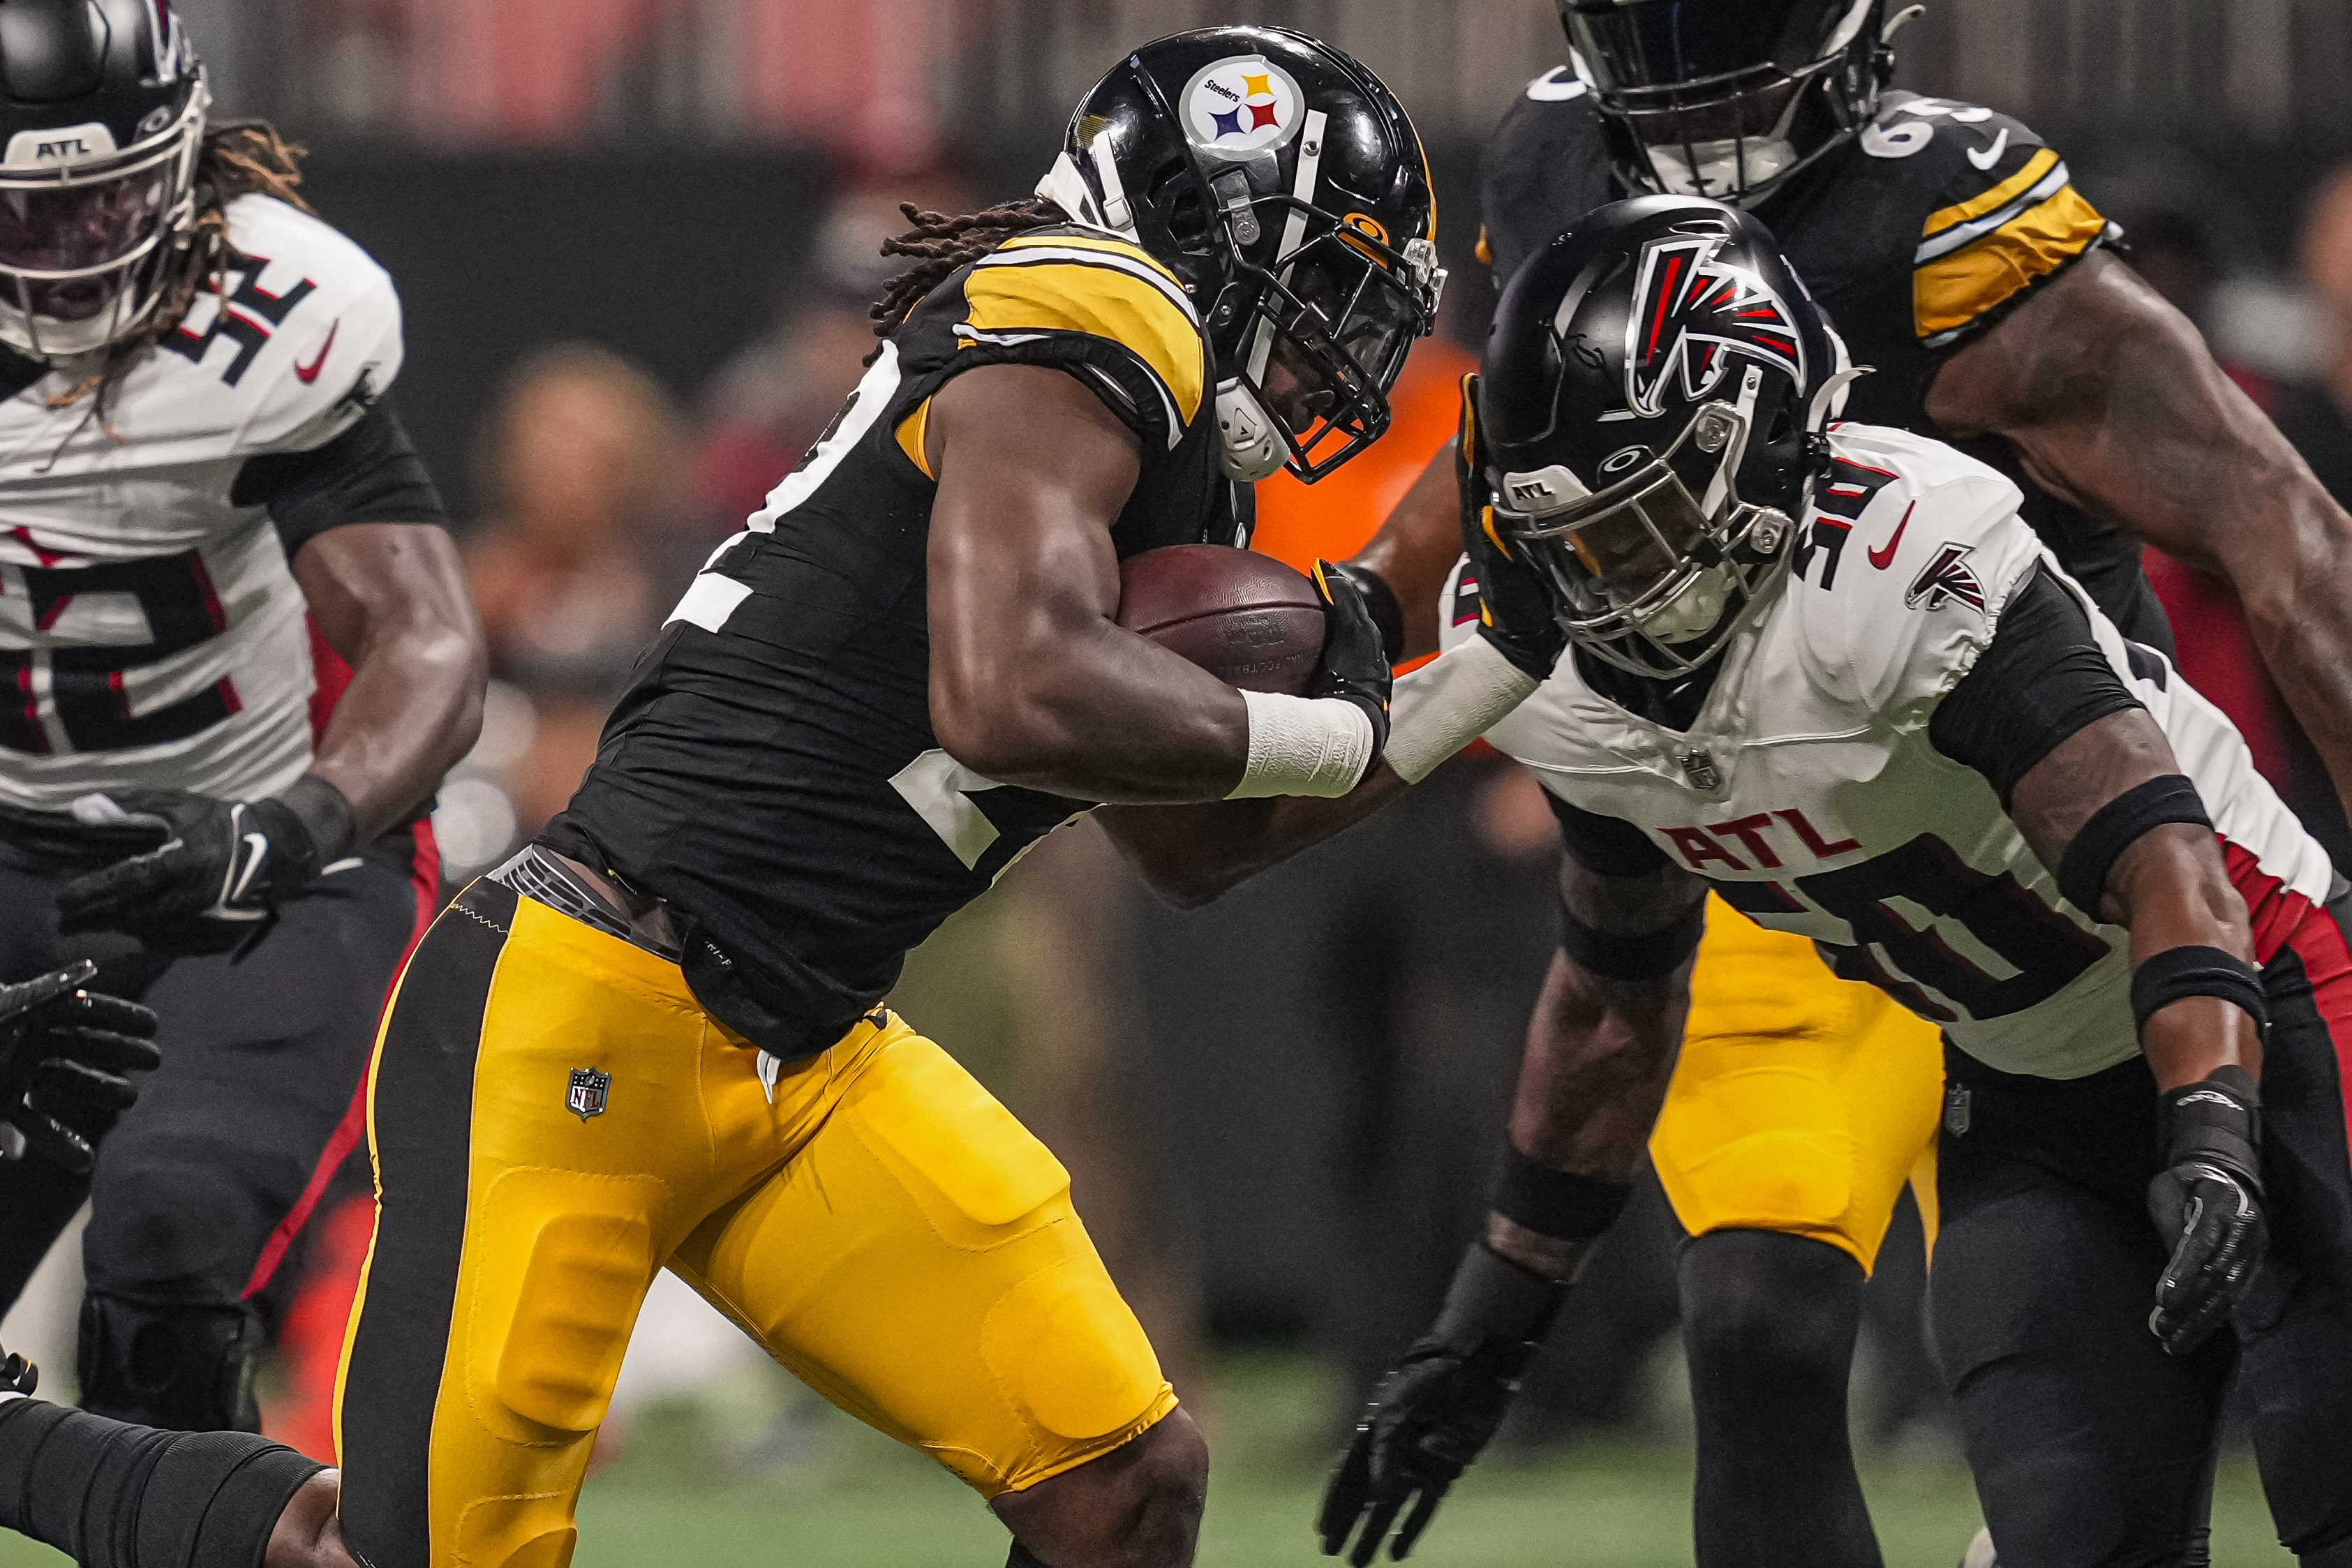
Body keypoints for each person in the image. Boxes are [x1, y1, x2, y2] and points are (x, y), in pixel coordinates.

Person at [0, 24, 1452, 1568]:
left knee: (1121, 1480)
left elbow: (1187, 847)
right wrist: (1325, 730)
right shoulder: (1089, 304)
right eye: (1322, 280)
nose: (1328, 347)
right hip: (590, 1004)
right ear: (1195, 227)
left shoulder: (1158, 451)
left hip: (803, 1043)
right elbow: (1007, 690)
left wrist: (1470, 676)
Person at [1196, 4, 2352, 1565]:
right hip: (1804, 866)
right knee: (1755, 1316)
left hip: (2055, 813)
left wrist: (2213, 1104)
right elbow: (1495, 493)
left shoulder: (1928, 397)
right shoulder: (1570, 632)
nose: (1689, 64)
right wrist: (1227, 716)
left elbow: (2278, 547)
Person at [0, 0, 483, 1441]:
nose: (72, 251)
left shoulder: (278, 309)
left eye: (106, 202)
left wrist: (289, 828)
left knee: (170, 1237)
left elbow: (428, 637)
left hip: (252, 860)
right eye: (35, 211)